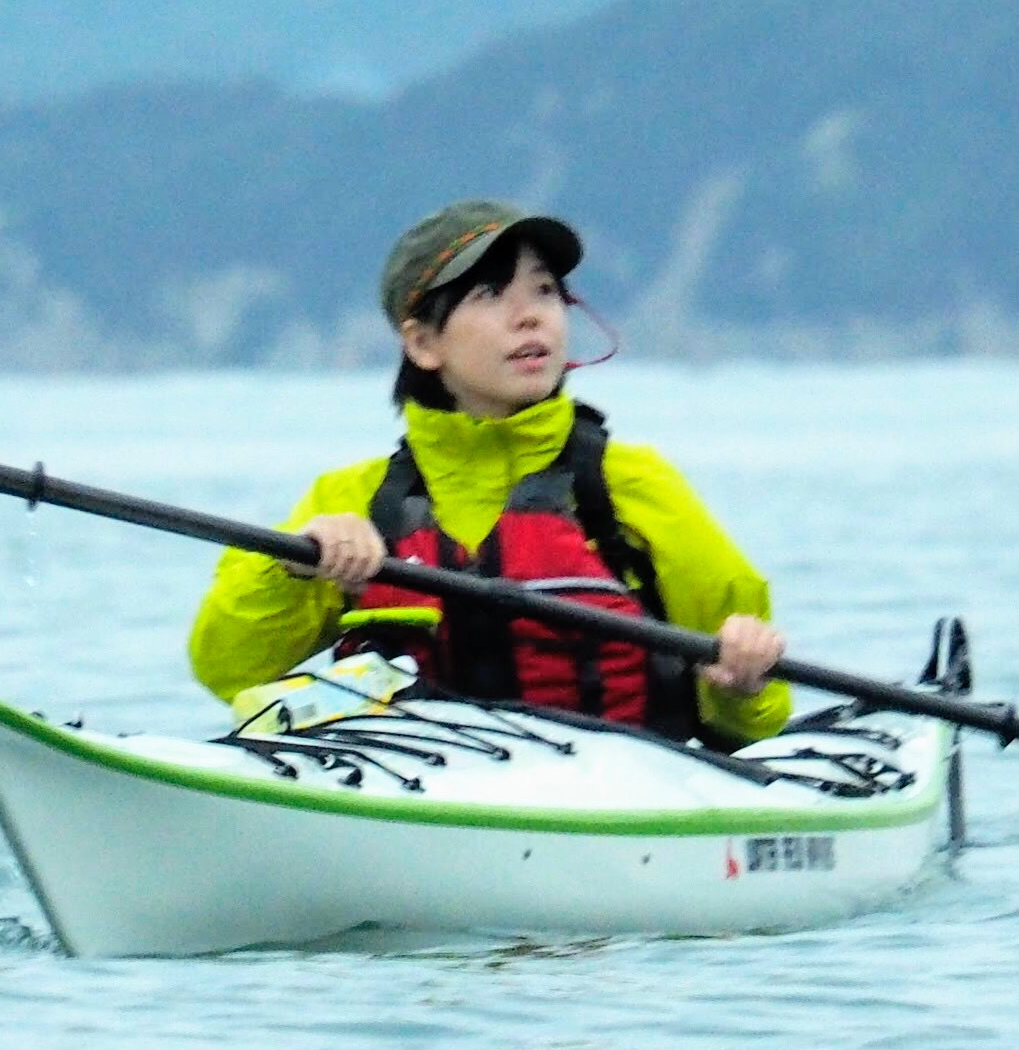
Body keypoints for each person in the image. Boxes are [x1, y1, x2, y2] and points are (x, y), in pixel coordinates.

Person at [188, 200, 789, 746]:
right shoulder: (350, 501)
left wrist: (743, 684)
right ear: (423, 344)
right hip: (414, 791)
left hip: (613, 795)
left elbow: (757, 722)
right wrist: (293, 568)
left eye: (545, 291)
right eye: (491, 295)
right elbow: (226, 668)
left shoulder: (633, 485)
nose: (530, 318)